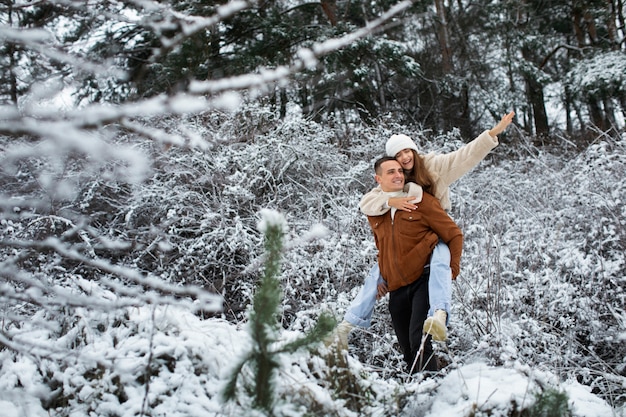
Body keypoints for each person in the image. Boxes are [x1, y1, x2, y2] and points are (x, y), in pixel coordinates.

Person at [329, 112, 515, 347]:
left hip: (434, 231)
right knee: (376, 273)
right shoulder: (396, 181)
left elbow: (465, 156)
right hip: (407, 241)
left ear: (414, 151)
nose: (404, 157)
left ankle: (439, 315)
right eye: (398, 154)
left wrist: (492, 133)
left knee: (440, 265)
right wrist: (390, 201)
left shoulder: (433, 167)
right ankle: (347, 324)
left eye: (407, 151)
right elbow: (368, 202)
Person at [366, 156, 463, 373]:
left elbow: (454, 234)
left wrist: (452, 271)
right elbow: (383, 247)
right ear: (378, 178)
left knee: (419, 339)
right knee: (406, 346)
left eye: (400, 171)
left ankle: (429, 389)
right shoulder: (377, 212)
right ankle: (416, 390)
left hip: (424, 278)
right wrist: (382, 277)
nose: (398, 175)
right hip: (397, 286)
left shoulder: (421, 201)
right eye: (391, 172)